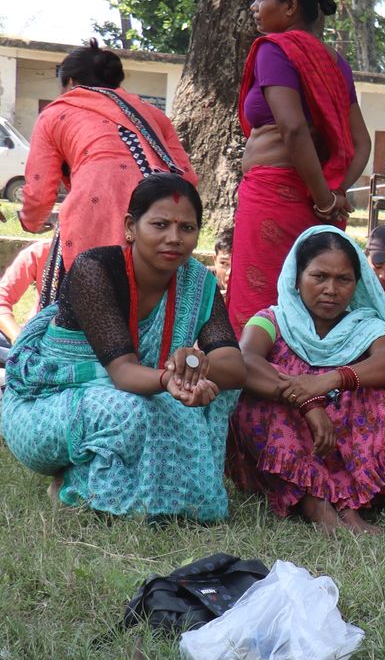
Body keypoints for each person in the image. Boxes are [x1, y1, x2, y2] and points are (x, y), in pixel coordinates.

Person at [2, 173, 246, 519]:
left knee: (219, 391)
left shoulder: (198, 282)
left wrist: (196, 367)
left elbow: (235, 368)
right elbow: (122, 373)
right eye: (160, 224)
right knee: (133, 409)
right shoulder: (96, 270)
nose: (174, 238)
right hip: (48, 402)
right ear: (131, 226)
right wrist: (170, 378)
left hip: (140, 388)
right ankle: (77, 485)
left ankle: (175, 497)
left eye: (187, 228)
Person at [230, 228, 385, 531]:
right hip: (295, 424)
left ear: (356, 284)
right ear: (297, 278)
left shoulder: (365, 324)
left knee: (374, 398)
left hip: (343, 438)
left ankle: (350, 502)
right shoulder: (273, 319)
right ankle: (313, 500)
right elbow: (245, 361)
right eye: (319, 277)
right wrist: (308, 403)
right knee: (257, 404)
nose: (331, 289)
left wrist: (329, 380)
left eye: (343, 279)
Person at [229, 0, 370, 332]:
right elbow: (362, 142)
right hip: (318, 206)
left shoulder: (274, 50)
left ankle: (257, 387)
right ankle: (303, 386)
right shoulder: (335, 62)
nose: (254, 7)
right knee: (309, 307)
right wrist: (331, 193)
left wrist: (323, 198)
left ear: (290, 7)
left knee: (260, 308)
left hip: (274, 201)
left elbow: (292, 128)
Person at [20, 40, 195, 280]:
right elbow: (187, 175)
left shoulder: (55, 113)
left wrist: (30, 221)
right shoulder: (152, 114)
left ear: (71, 83)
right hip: (163, 211)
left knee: (86, 300)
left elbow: (40, 190)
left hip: (96, 210)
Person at [0, 235, 53, 347]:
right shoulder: (39, 252)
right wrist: (18, 338)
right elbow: (2, 298)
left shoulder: (96, 258)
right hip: (36, 335)